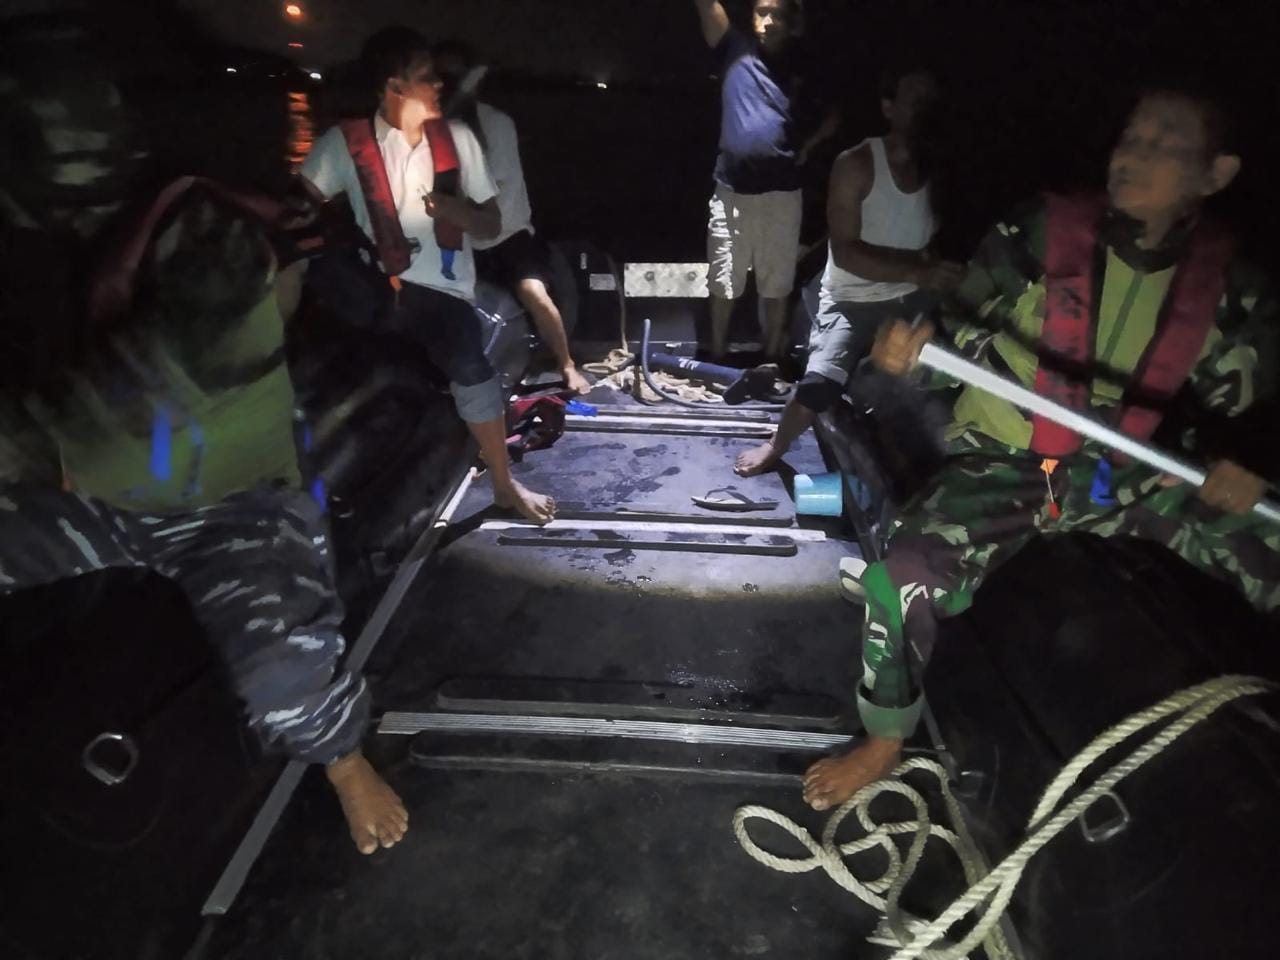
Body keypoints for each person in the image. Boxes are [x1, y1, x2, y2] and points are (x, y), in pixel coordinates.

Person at [802, 82, 1280, 812]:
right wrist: (910, 351)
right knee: (901, 577)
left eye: (1165, 143)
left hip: (1126, 474)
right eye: (1132, 136)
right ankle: (886, 736)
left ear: (1215, 174)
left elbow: (1240, 415)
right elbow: (952, 327)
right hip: (1009, 464)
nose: (1134, 154)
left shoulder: (1237, 289)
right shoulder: (1036, 232)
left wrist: (1237, 463)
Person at [0, 18, 408, 855]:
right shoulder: (43, 246)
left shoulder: (209, 240)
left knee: (283, 672)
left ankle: (345, 764)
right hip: (106, 496)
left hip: (229, 501)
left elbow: (126, 406)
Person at [299, 27, 556, 522]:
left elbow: (491, 223)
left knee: (470, 367)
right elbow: (297, 210)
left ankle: (504, 484)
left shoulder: (459, 140)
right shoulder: (342, 143)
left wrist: (457, 210)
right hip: (371, 287)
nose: (438, 84)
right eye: (426, 77)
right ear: (393, 86)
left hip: (439, 292)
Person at [735, 64, 961, 477]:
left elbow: (931, 242)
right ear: (888, 107)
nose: (924, 108)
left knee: (958, 367)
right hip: (852, 299)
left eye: (930, 100)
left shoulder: (939, 167)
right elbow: (847, 254)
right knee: (820, 386)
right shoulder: (856, 164)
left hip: (911, 295)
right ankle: (775, 444)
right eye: (914, 99)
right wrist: (920, 273)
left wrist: (938, 279)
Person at [432, 40, 592, 396]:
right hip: (459, 234)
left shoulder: (497, 124)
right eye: (438, 76)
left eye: (453, 76)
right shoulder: (431, 126)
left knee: (532, 291)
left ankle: (566, 364)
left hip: (507, 233)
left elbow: (489, 194)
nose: (444, 84)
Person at [691, 0, 838, 361]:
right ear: (751, 15)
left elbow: (833, 116)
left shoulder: (804, 64)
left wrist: (807, 147)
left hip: (782, 194)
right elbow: (708, 7)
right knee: (724, 279)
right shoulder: (733, 48)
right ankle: (718, 357)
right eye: (762, 12)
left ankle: (772, 360)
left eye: (778, 14)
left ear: (791, 22)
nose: (769, 21)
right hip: (731, 190)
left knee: (778, 283)